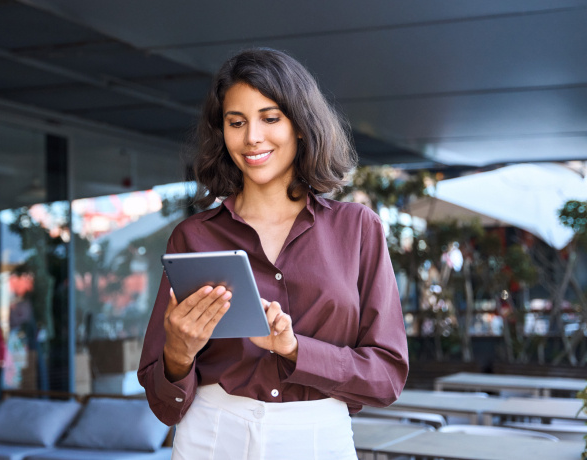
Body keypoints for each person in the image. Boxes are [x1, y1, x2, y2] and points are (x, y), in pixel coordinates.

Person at [137, 48, 409, 459]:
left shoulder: (357, 228)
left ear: (300, 125)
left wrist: (295, 348)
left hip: (317, 439)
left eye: (270, 118)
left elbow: (386, 377)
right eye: (236, 122)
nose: (252, 138)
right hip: (212, 437)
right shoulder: (192, 236)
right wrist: (179, 351)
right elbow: (162, 404)